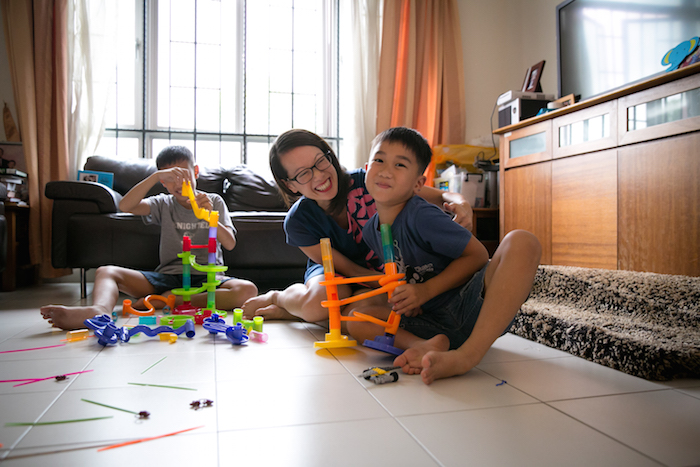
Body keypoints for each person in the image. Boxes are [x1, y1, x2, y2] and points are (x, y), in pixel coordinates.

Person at [346, 127, 541, 384]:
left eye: (400, 165)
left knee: (523, 241)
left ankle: (467, 356)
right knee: (354, 317)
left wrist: (425, 291)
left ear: (418, 184)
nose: (385, 170)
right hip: (431, 323)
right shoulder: (372, 229)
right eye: (379, 160)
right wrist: (408, 299)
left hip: (471, 307)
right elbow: (403, 274)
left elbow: (478, 256)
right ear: (366, 168)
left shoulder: (421, 215)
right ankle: (425, 345)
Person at [241, 129, 473, 323]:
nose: (319, 176)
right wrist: (391, 285)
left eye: (321, 161)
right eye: (303, 174)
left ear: (329, 156)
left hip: (385, 270)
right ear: (289, 185)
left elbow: (438, 194)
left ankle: (294, 312)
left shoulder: (369, 180)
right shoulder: (298, 221)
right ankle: (278, 298)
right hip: (340, 272)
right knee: (318, 306)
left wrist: (461, 202)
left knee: (359, 315)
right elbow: (349, 270)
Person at [41, 146, 257, 330]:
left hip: (208, 280)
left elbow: (229, 243)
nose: (179, 183)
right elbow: (125, 206)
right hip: (168, 276)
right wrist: (154, 177)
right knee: (106, 271)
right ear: (164, 182)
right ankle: (100, 311)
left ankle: (171, 299)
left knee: (248, 290)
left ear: (196, 172)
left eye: (184, 174)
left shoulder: (213, 200)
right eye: (170, 178)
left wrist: (210, 218)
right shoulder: (163, 203)